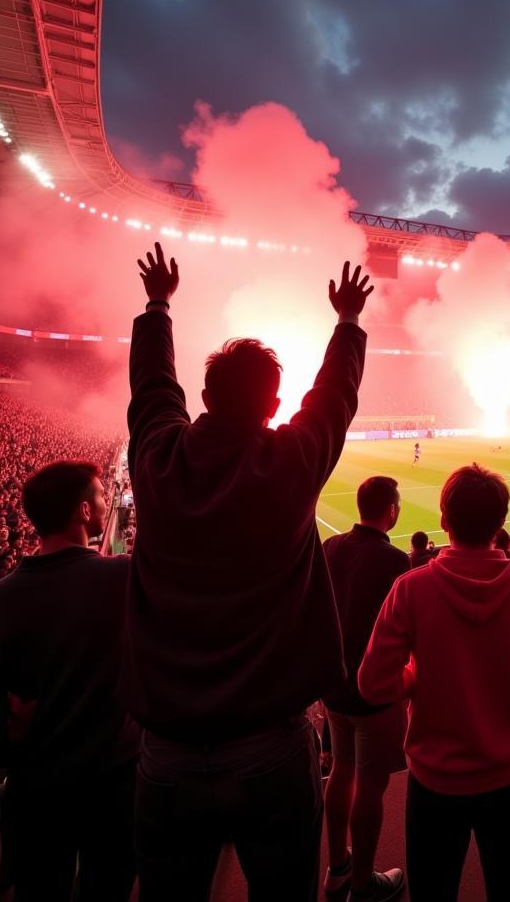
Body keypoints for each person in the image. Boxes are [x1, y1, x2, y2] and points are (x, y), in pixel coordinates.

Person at [123, 244, 372, 902]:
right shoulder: (289, 462)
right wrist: (346, 322)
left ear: (203, 396)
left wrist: (157, 306)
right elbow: (334, 400)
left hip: (167, 746)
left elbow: (150, 389)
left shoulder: (156, 458)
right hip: (272, 744)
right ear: (273, 406)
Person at [359, 463, 510, 902]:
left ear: (443, 521)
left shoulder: (410, 589)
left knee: (433, 893)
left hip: (435, 782)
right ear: (501, 523)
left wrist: (418, 677)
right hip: (509, 778)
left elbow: (373, 684)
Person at [0, 461, 138, 902]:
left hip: (35, 789)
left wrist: (11, 740)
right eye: (100, 495)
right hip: (115, 785)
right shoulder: (123, 577)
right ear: (83, 511)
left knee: (40, 891)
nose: (105, 501)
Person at [323, 477, 410, 902]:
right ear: (391, 510)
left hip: (334, 685)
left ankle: (337, 867)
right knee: (371, 784)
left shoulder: (332, 547)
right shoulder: (395, 561)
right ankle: (362, 885)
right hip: (374, 691)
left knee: (341, 771)